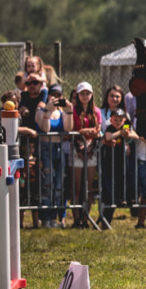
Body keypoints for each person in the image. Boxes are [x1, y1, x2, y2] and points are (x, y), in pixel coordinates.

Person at [64, 81, 102, 228]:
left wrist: (93, 131)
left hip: (91, 149)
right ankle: (76, 218)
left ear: (92, 95)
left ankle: (86, 217)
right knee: (77, 186)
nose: (85, 96)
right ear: (78, 95)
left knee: (89, 185)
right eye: (82, 94)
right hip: (76, 149)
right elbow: (71, 130)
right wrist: (85, 131)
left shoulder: (96, 111)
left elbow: (98, 128)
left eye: (87, 93)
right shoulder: (73, 110)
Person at [36, 83, 70, 227]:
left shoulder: (61, 112)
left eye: (58, 95)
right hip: (46, 148)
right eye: (53, 95)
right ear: (48, 95)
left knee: (59, 184)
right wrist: (47, 112)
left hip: (59, 148)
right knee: (47, 184)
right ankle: (46, 219)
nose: (55, 98)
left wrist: (69, 111)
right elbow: (45, 129)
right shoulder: (40, 110)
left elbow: (68, 128)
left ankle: (56, 217)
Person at [100, 108, 137, 225]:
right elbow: (108, 137)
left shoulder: (125, 127)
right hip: (108, 165)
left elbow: (135, 136)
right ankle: (104, 218)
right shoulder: (110, 128)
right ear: (111, 119)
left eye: (120, 120)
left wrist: (127, 133)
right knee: (109, 193)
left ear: (124, 120)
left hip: (121, 166)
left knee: (117, 193)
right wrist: (120, 133)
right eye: (115, 119)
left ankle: (106, 219)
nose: (117, 122)